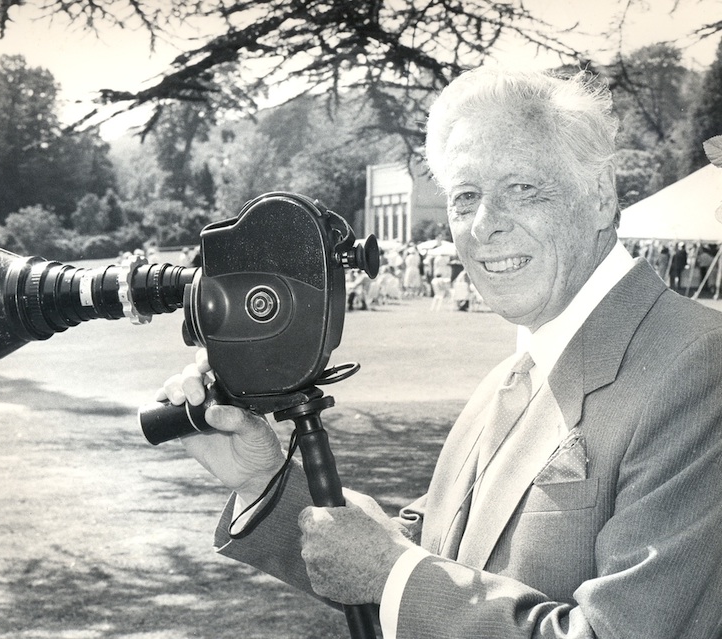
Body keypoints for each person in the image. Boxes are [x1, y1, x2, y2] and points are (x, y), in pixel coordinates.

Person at [157, 68, 722, 638]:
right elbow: (423, 558)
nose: (484, 226)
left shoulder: (699, 364)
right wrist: (263, 481)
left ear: (601, 198)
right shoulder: (513, 375)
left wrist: (392, 574)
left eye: (522, 188)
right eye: (465, 197)